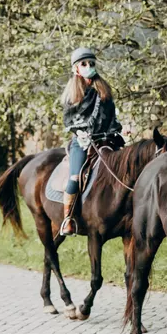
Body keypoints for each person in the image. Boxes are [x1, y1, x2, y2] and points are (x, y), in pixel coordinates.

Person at [59, 47, 123, 236]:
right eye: (84, 64)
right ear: (76, 69)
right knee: (75, 177)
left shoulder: (104, 89)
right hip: (82, 141)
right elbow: (68, 121)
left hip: (106, 139)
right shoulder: (72, 94)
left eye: (91, 63)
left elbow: (111, 116)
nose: (89, 66)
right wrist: (80, 132)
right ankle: (68, 219)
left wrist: (118, 128)